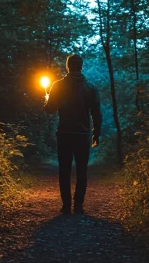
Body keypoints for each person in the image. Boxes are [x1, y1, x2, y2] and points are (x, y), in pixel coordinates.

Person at [44, 54, 102, 214]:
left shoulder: (58, 86)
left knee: (64, 170)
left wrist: (47, 97)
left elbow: (49, 110)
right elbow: (97, 113)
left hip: (64, 134)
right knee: (82, 170)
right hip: (83, 135)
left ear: (68, 67)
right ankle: (78, 205)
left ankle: (66, 205)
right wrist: (96, 133)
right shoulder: (91, 88)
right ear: (81, 67)